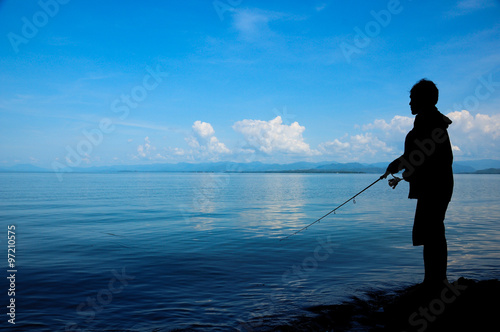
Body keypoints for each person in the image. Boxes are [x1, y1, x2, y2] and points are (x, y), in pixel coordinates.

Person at [382, 79, 454, 287]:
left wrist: (398, 166)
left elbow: (419, 156)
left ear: (424, 100)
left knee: (433, 232)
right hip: (439, 185)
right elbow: (417, 156)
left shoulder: (428, 122)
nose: (410, 103)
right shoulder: (430, 121)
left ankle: (435, 282)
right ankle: (434, 280)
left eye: (413, 98)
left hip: (435, 187)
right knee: (433, 231)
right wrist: (399, 166)